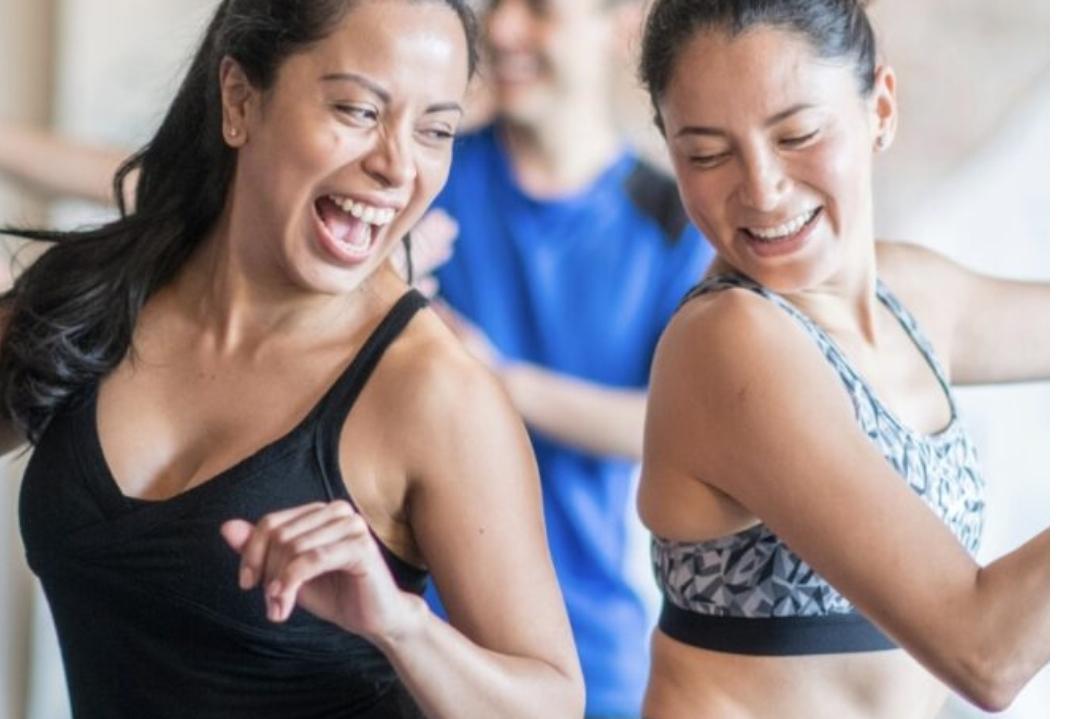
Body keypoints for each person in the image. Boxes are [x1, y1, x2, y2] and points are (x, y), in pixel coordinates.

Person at [0, 1, 585, 717]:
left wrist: (403, 627)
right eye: (358, 110)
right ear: (240, 99)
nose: (397, 165)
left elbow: (550, 703)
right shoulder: (92, 297)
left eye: (435, 130)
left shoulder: (434, 393)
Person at [634, 0, 1050, 717]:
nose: (761, 188)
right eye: (706, 153)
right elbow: (986, 650)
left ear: (880, 108)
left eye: (797, 134)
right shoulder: (730, 340)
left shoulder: (916, 296)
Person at [415, 0, 713, 715]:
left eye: (541, 9)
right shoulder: (427, 171)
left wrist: (496, 381)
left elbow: (685, 431)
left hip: (588, 656)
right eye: (497, 4)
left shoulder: (678, 224)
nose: (504, 29)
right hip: (401, 637)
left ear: (621, 26)